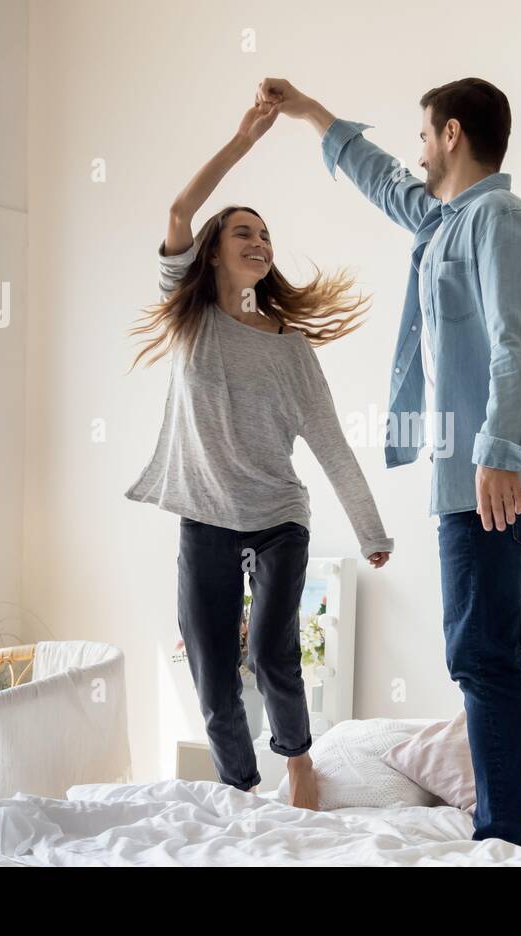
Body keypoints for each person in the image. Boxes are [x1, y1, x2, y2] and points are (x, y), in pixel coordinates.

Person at [259, 76, 521, 848]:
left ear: (450, 134)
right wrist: (310, 114)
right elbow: (383, 181)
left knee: (480, 654)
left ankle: (503, 834)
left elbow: (518, 342)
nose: (416, 152)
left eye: (421, 136)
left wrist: (498, 454)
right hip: (494, 473)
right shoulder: (450, 220)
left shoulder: (499, 219)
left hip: (494, 478)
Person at [124, 96, 394, 812]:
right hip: (206, 514)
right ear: (214, 249)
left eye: (266, 234)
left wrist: (370, 530)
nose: (259, 241)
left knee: (272, 651)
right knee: (213, 672)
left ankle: (298, 764)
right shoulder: (190, 316)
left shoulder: (288, 349)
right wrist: (243, 139)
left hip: (277, 515)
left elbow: (331, 443)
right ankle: (242, 791)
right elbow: (181, 210)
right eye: (244, 231)